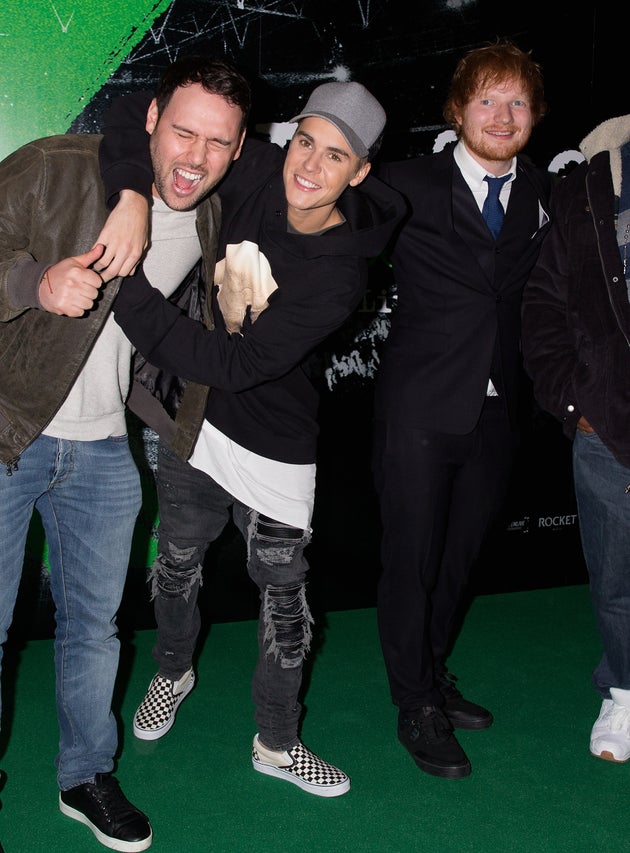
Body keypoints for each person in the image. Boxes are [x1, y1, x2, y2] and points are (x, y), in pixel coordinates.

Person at [97, 78, 405, 797]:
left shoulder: (340, 272)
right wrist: (131, 196)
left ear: (359, 172)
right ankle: (173, 670)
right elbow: (133, 109)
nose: (310, 166)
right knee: (176, 563)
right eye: (305, 142)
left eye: (335, 156)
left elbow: (235, 364)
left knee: (285, 603)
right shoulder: (260, 167)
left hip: (274, 442)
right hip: (195, 419)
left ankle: (277, 740)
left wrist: (125, 287)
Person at [0, 55, 251, 851]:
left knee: (96, 628)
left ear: (239, 148)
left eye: (217, 142)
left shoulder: (211, 216)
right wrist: (35, 286)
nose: (195, 157)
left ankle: (85, 774)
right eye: (181, 131)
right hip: (8, 431)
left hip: (106, 451)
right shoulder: (53, 167)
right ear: (148, 120)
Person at [371, 40, 551, 778]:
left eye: (517, 102)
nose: (502, 116)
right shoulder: (404, 183)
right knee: (411, 559)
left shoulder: (545, 192)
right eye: (487, 100)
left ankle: (432, 670)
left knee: (459, 559)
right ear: (456, 110)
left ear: (535, 114)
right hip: (419, 406)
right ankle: (414, 701)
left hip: (500, 408)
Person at [522, 115, 630, 763]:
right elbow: (542, 307)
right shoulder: (584, 189)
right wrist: (575, 401)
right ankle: (624, 690)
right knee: (616, 576)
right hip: (608, 423)